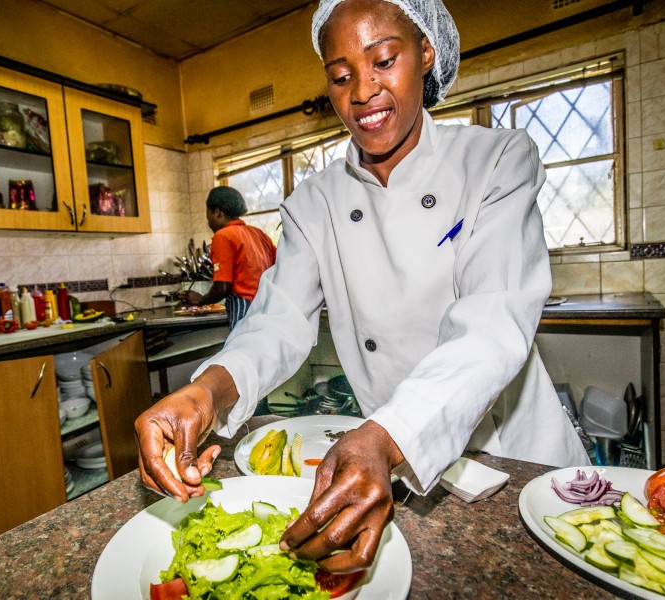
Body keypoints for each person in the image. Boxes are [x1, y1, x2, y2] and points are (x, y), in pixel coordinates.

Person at [135, 0, 589, 574]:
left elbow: (493, 323)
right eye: (342, 75)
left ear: (425, 53)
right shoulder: (314, 203)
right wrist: (206, 393)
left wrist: (386, 436)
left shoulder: (496, 159)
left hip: (511, 458)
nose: (363, 91)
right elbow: (278, 320)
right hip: (391, 470)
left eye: (384, 60)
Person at [180, 186, 277, 330]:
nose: (208, 221)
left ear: (217, 212)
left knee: (244, 351)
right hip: (269, 306)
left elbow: (223, 287)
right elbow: (279, 267)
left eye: (208, 214)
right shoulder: (259, 234)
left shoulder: (223, 236)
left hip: (245, 308)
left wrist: (201, 300)